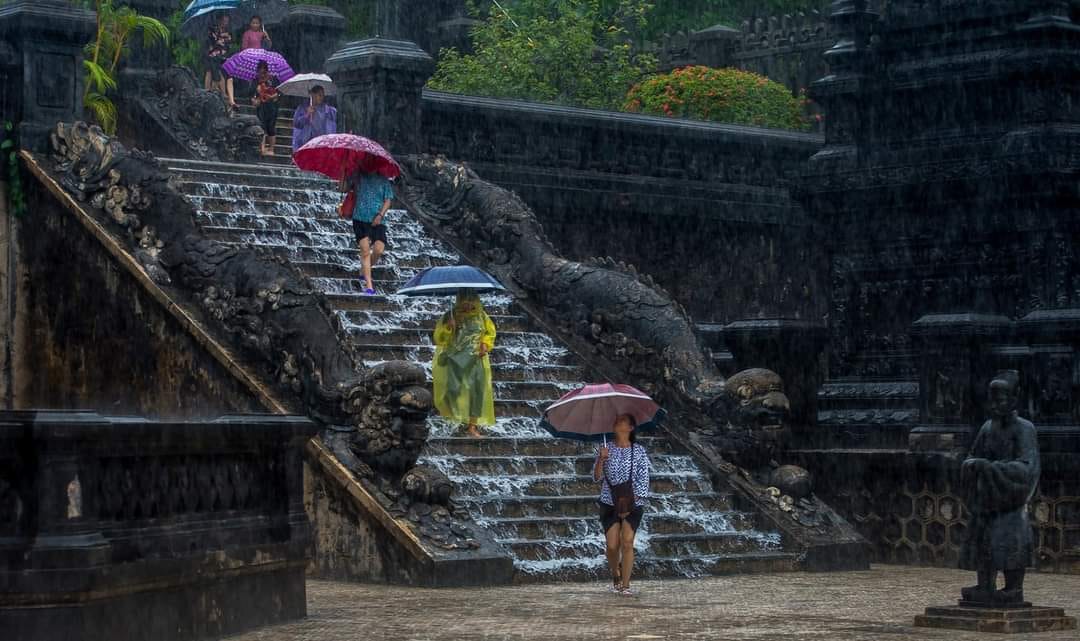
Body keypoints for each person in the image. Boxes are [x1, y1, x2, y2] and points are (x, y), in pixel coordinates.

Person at [959, 371, 1040, 605]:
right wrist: (972, 465)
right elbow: (973, 455)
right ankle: (985, 584)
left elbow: (1027, 468)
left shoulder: (1024, 429)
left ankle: (1014, 588)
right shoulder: (987, 427)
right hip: (988, 500)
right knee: (983, 540)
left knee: (1010, 541)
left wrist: (990, 468)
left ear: (1015, 398)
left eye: (1001, 399)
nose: (994, 405)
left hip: (1010, 501)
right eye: (991, 399)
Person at [594, 414, 650, 596]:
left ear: (631, 428)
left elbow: (644, 479)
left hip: (633, 502)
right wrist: (601, 459)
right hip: (609, 501)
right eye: (616, 420)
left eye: (623, 420)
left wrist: (629, 503)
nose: (618, 422)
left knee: (626, 542)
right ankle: (615, 573)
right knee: (612, 546)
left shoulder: (639, 450)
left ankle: (625, 586)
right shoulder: (605, 448)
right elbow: (596, 478)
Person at [432, 291, 496, 438]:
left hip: (476, 359)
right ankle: (451, 417)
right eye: (465, 301)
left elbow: (490, 333)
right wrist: (449, 328)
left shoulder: (482, 316)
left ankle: (472, 426)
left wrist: (486, 344)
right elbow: (439, 338)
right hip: (455, 358)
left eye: (471, 300)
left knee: (477, 391)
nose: (468, 304)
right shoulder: (451, 315)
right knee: (453, 389)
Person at [345, 170, 393, 294]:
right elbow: (344, 189)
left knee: (378, 250)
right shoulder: (358, 176)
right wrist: (343, 175)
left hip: (378, 220)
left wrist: (381, 215)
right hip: (360, 219)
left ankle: (364, 270)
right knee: (365, 251)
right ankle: (369, 285)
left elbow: (388, 200)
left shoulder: (384, 179)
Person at [205, 12, 236, 110]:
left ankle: (227, 97)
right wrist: (219, 40)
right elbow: (212, 42)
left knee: (227, 75)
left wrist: (224, 39)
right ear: (219, 20)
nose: (225, 22)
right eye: (224, 20)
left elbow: (229, 42)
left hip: (224, 55)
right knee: (212, 72)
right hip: (213, 55)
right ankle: (210, 91)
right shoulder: (212, 29)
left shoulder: (228, 31)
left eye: (227, 21)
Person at [292, 85, 337, 152]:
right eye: (319, 95)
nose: (321, 98)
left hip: (322, 144)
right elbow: (296, 124)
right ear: (312, 94)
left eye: (322, 95)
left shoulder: (328, 110)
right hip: (306, 143)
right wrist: (307, 115)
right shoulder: (302, 108)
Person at [251, 61, 280, 156]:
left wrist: (271, 97)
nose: (262, 74)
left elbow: (278, 94)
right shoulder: (255, 82)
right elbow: (252, 98)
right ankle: (262, 148)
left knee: (271, 127)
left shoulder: (273, 80)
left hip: (272, 108)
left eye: (264, 72)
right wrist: (256, 99)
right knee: (261, 127)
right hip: (261, 108)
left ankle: (271, 149)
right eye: (260, 72)